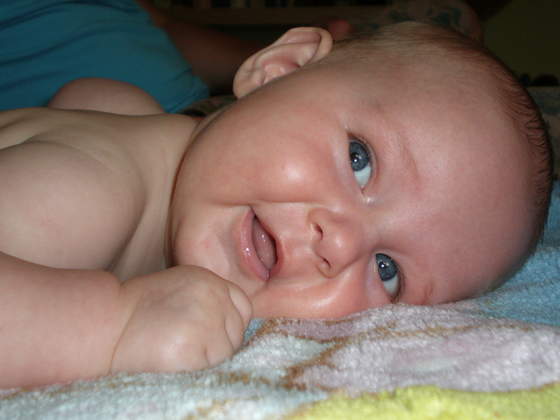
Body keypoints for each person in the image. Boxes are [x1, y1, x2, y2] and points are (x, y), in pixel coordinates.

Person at [0, 22, 552, 389]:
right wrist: (111, 330)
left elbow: (86, 92)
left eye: (388, 272)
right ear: (279, 68)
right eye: (359, 160)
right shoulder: (83, 190)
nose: (342, 242)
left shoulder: (141, 152)